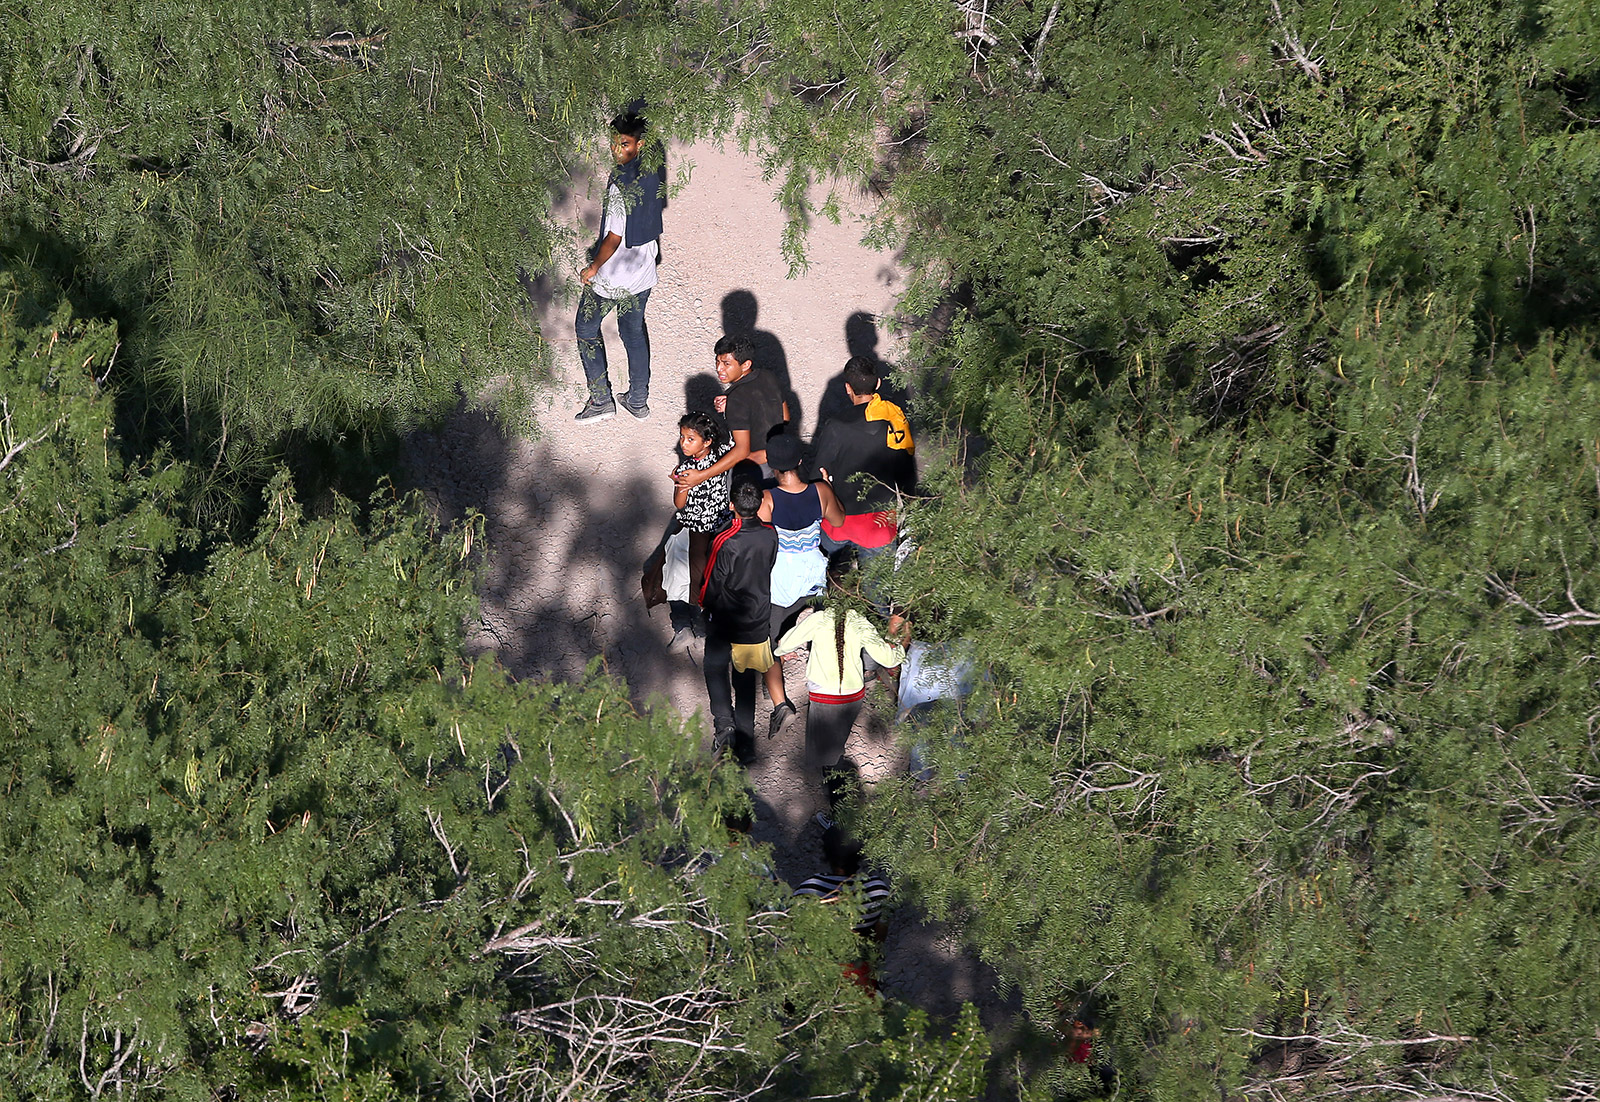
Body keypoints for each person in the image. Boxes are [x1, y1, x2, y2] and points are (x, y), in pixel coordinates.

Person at [773, 550, 907, 811]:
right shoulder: (860, 621)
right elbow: (889, 658)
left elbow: (783, 645)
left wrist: (782, 648)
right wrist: (898, 646)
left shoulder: (818, 619)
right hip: (852, 696)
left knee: (827, 758)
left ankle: (840, 812)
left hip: (824, 697)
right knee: (836, 744)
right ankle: (840, 795)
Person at [574, 109, 665, 423]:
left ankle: (601, 401)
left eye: (624, 144)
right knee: (633, 332)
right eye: (614, 144)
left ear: (638, 144)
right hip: (642, 273)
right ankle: (637, 400)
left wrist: (593, 267)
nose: (617, 150)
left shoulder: (620, 185)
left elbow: (613, 238)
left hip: (614, 276)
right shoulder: (653, 171)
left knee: (586, 328)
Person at [758, 432, 845, 737]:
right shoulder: (819, 491)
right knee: (823, 634)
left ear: (771, 465)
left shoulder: (767, 499)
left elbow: (759, 540)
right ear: (799, 461)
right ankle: (831, 691)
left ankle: (781, 705)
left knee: (766, 644)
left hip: (780, 579)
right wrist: (830, 490)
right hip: (813, 575)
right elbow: (837, 521)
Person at [700, 481, 778, 766]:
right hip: (756, 619)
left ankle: (724, 727)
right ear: (759, 505)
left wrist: (704, 607)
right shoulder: (771, 535)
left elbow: (712, 582)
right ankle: (746, 743)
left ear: (732, 506)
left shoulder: (725, 540)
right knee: (746, 681)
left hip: (725, 620)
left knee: (714, 667)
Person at [806, 356, 915, 553]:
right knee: (879, 584)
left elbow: (818, 474)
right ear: (879, 384)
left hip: (839, 524)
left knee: (832, 578)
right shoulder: (895, 421)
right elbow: (907, 473)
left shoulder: (836, 426)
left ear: (848, 388)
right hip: (880, 525)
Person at [673, 336, 788, 497]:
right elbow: (784, 415)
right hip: (781, 457)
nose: (719, 369)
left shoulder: (737, 399)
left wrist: (702, 475)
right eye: (718, 361)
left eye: (726, 364)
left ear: (746, 364)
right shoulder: (767, 376)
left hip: (757, 467)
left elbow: (741, 450)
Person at [671, 410, 733, 612]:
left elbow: (679, 504)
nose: (683, 443)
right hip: (722, 517)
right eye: (682, 437)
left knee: (697, 567)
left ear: (706, 442)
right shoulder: (722, 453)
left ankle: (697, 605)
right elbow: (734, 442)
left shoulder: (686, 469)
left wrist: (680, 484)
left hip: (698, 525)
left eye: (690, 439)